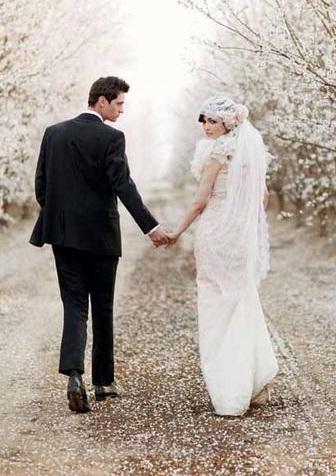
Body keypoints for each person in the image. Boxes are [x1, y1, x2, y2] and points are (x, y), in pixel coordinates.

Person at [29, 76, 170, 413]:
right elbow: (124, 186)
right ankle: (103, 382)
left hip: (63, 236)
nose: (122, 110)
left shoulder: (54, 133)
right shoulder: (112, 137)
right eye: (119, 103)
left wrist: (63, 218)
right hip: (102, 238)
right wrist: (150, 227)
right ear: (102, 101)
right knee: (102, 307)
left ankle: (74, 376)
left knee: (75, 306)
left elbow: (41, 188)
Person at [168, 96, 278, 416]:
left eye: (213, 121)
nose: (206, 126)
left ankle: (231, 389)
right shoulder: (250, 155)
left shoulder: (217, 154)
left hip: (216, 236)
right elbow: (265, 197)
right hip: (240, 238)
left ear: (228, 123)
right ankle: (256, 380)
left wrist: (177, 231)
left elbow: (200, 202)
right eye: (204, 120)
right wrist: (243, 221)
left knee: (216, 307)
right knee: (242, 302)